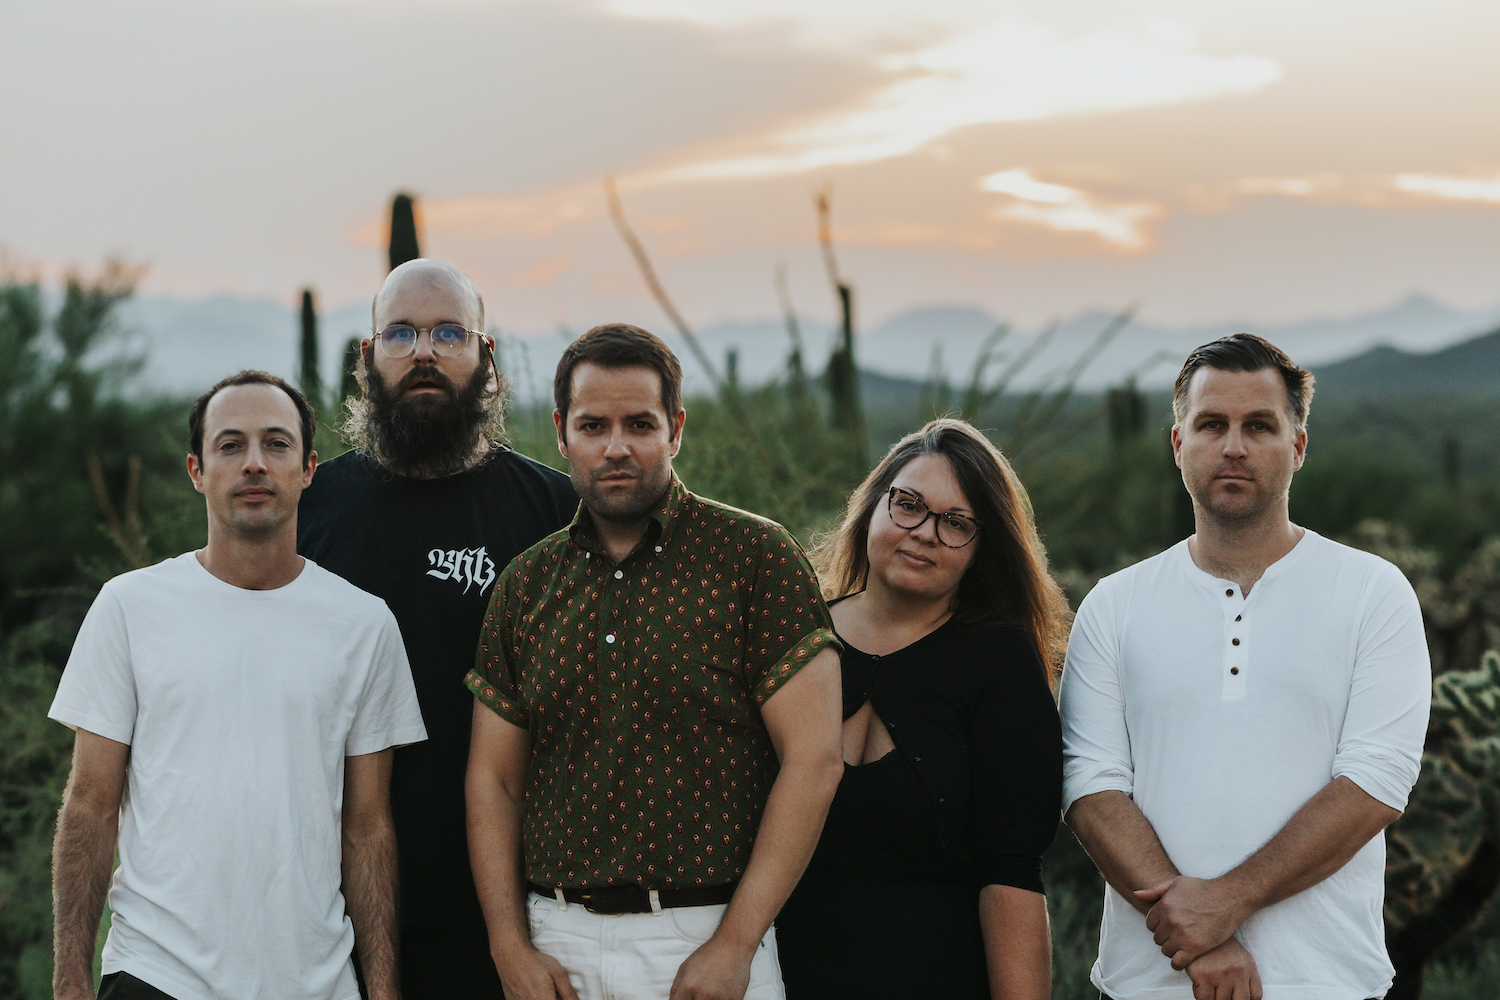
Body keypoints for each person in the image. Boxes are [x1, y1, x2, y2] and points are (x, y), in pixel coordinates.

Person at [464, 322, 844, 1000]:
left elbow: (813, 759)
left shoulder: (754, 558)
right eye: (593, 426)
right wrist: (508, 945)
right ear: (561, 432)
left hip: (709, 936)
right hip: (557, 944)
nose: (616, 448)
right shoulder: (526, 585)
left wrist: (737, 941)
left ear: (676, 429)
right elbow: (494, 780)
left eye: (640, 424)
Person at [1059, 334, 1431, 1000]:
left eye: (1259, 426)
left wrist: (1223, 904)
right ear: (1179, 444)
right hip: (1149, 986)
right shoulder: (1113, 606)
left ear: (1298, 447)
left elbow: (1376, 780)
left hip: (1327, 982)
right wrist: (1199, 946)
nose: (1234, 446)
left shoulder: (1373, 593)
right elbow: (1090, 788)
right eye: (1212, 424)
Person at [50, 371, 426, 1000]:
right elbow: (90, 804)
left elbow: (368, 829)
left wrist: (381, 990)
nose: (255, 463)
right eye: (231, 446)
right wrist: (69, 982)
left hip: (317, 982)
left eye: (276, 444)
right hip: (156, 974)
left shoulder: (364, 625)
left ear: (308, 468)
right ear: (197, 470)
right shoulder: (129, 607)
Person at [297, 258, 578, 998]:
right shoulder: (310, 510)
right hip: (327, 914)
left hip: (510, 919)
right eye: (402, 332)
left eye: (448, 332)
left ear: (486, 358)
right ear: (368, 359)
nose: (424, 350)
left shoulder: (552, 513)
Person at [774, 418, 1068, 1000]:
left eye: (957, 523)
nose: (926, 532)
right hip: (778, 979)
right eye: (908, 504)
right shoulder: (794, 637)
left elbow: (1009, 874)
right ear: (872, 508)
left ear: (983, 547)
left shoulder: (998, 661)